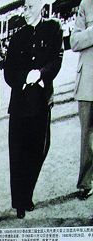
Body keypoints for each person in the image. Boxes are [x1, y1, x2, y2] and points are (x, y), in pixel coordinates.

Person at [4, 0, 63, 219]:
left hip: (41, 100)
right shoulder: (17, 36)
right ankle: (20, 202)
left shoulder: (53, 28)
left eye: (29, 7)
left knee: (39, 150)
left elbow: (56, 60)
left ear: (40, 6)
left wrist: (40, 73)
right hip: (19, 103)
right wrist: (23, 78)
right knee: (18, 153)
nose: (25, 12)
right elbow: (8, 71)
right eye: (24, 7)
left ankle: (26, 193)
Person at [70, 0, 93, 200]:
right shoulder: (86, 4)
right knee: (87, 136)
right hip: (88, 83)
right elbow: (74, 41)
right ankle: (86, 182)